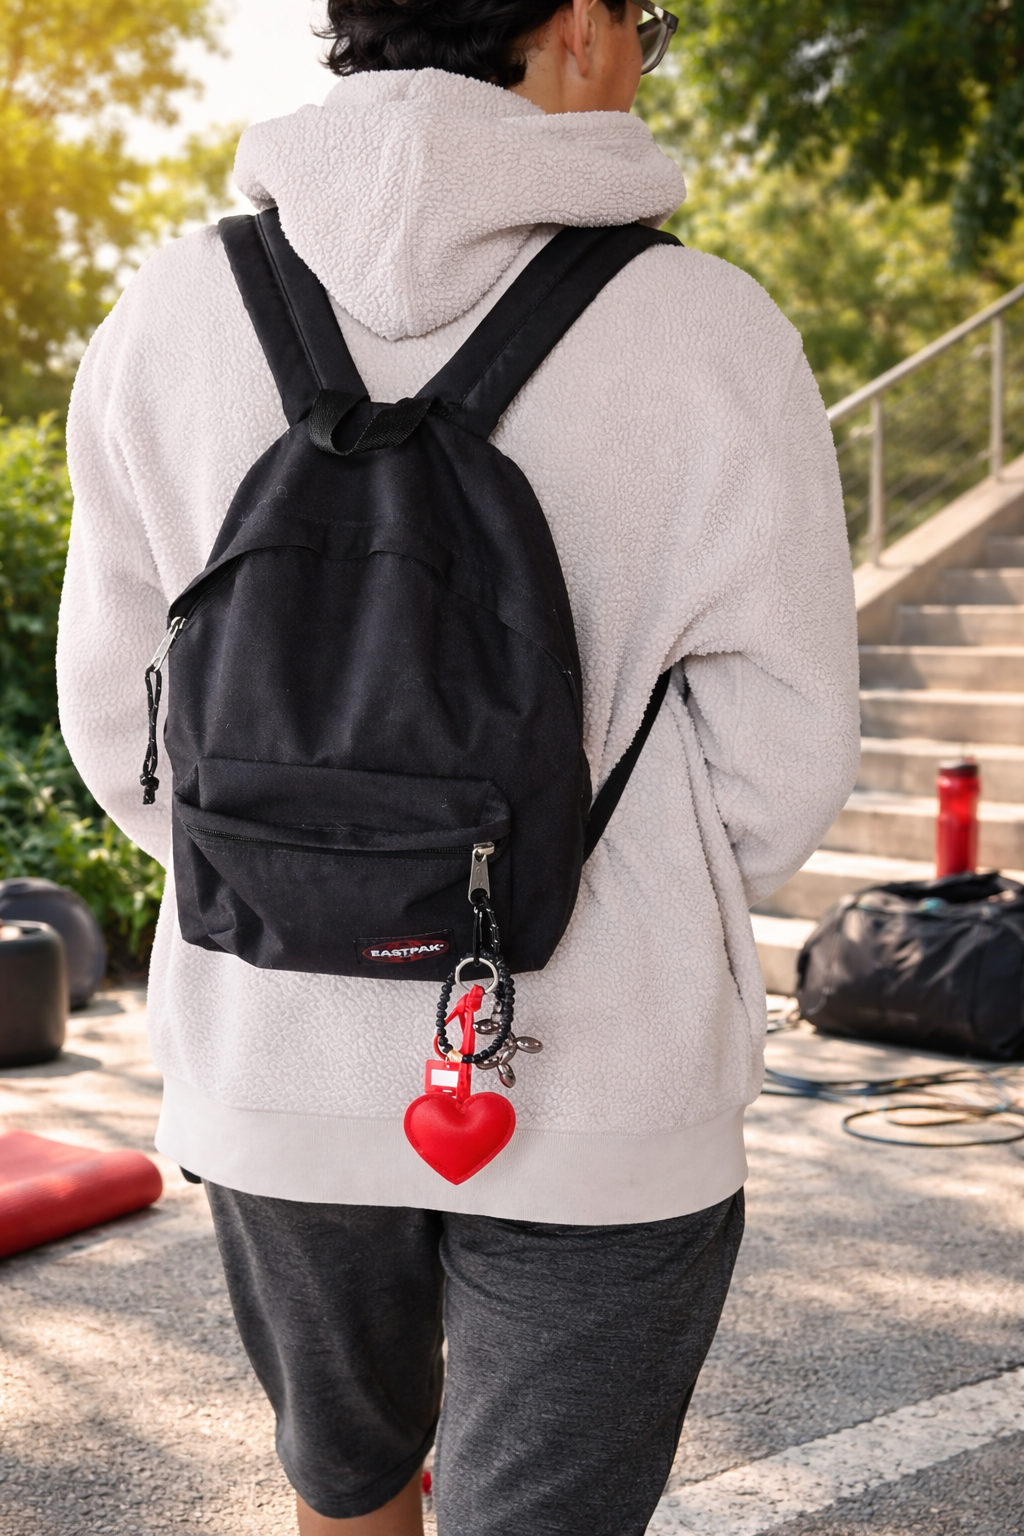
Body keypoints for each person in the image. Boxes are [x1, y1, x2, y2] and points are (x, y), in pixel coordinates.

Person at [57, 0, 860, 1529]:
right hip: (603, 1070)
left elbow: (118, 719)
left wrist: (314, 883)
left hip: (271, 1054)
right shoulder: (709, 329)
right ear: (578, 27)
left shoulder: (170, 309)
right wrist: (607, 887)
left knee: (349, 1482)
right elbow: (787, 747)